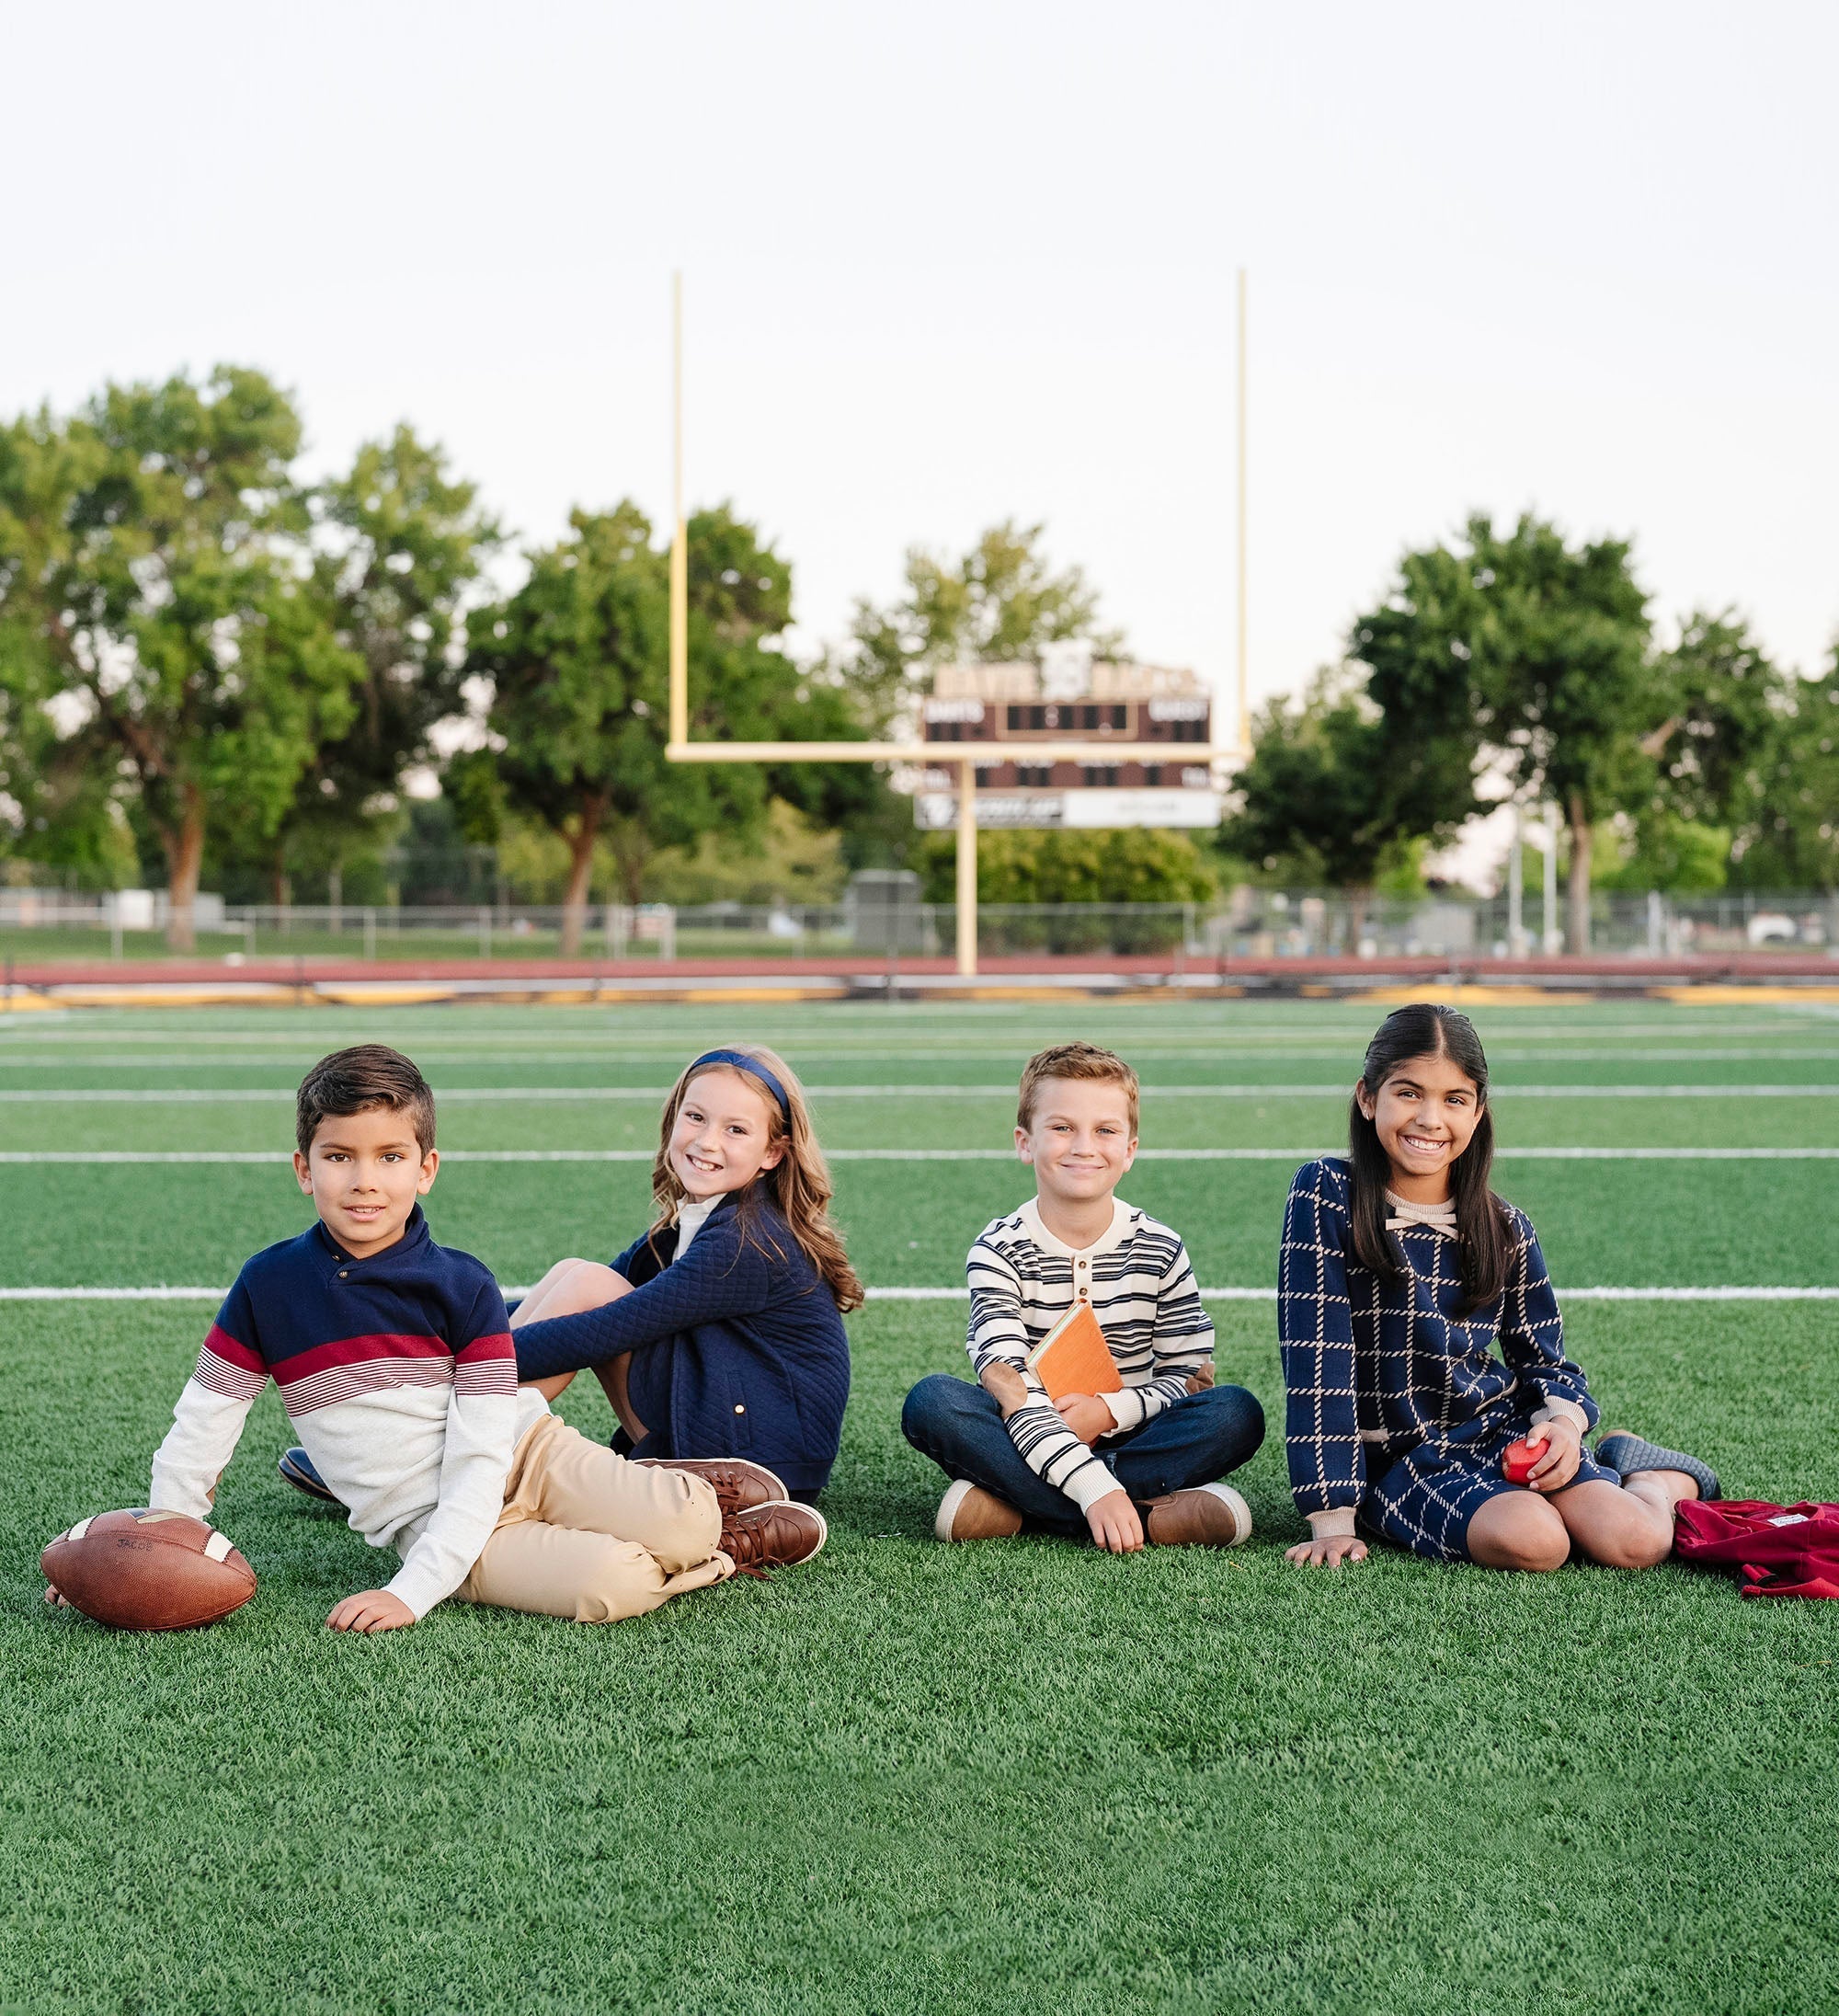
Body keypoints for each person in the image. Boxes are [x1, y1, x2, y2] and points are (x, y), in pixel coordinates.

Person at [74, 1044, 822, 1636]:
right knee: (615, 1581)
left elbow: (478, 1452)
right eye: (340, 1157)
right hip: (431, 1520)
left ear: (426, 1169)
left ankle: (705, 1522)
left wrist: (474, 1372)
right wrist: (152, 1543)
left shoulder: (463, 1285)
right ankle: (720, 1555)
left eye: (390, 1157)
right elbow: (204, 1421)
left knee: (685, 1520)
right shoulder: (267, 1287)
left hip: (528, 1454)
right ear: (304, 1169)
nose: (365, 1181)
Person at [1280, 1002, 1721, 1574]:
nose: (1430, 1119)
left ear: (1478, 1111)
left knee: (1637, 1542)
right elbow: (1319, 1362)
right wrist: (1333, 1515)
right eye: (1408, 1093)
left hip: (1500, 1431)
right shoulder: (1325, 1192)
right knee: (1536, 1542)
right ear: (1368, 1098)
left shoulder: (1504, 1226)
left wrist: (1561, 1427)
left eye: (1454, 1100)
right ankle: (1566, 1494)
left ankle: (1649, 1476)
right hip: (1399, 1458)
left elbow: (1547, 1364)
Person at [902, 1041, 1266, 1551]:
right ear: (1025, 1142)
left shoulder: (1161, 1247)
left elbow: (1190, 1380)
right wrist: (1095, 1489)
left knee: (1236, 1413)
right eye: (1061, 1127)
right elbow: (1009, 1384)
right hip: (1026, 1428)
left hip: (1141, 1431)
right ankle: (1141, 1510)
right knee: (933, 1403)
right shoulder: (998, 1249)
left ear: (1130, 1151)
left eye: (1105, 1130)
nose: (1083, 1146)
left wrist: (1109, 1412)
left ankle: (1020, 1506)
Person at [499, 1044, 861, 1507]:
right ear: (673, 1120)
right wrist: (454, 1335)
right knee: (575, 1274)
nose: (708, 1141)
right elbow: (577, 1299)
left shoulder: (746, 1241)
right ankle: (460, 1425)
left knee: (589, 1287)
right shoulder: (698, 1220)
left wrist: (455, 1364)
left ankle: (469, 1445)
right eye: (695, 1117)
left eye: (735, 1129)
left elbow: (600, 1328)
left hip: (758, 1469)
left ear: (772, 1152)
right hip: (735, 1429)